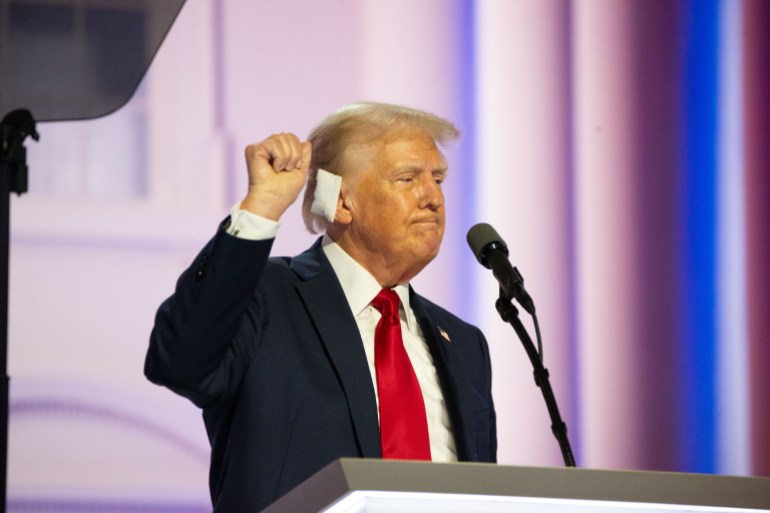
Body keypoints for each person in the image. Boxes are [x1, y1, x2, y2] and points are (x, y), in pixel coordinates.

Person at [144, 101, 497, 512]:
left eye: (437, 178)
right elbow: (178, 361)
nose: (432, 197)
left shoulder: (465, 344)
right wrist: (262, 207)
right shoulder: (265, 297)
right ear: (343, 202)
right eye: (407, 178)